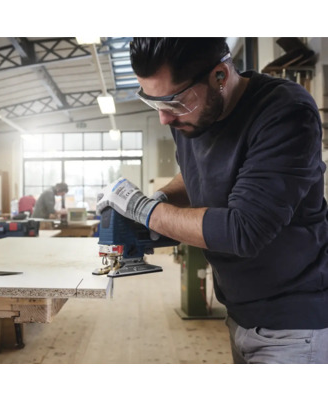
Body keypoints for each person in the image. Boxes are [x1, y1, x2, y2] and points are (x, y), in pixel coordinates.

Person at [96, 38, 328, 364]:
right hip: (239, 311)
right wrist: (159, 200)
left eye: (173, 102)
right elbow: (197, 175)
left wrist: (146, 210)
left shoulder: (285, 114)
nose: (164, 118)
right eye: (153, 102)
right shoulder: (190, 115)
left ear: (220, 75)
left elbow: (243, 230)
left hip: (294, 324)